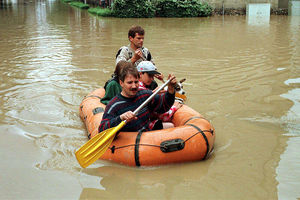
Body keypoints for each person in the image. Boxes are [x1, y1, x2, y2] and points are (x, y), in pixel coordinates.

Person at [99, 64, 177, 133]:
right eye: (130, 82)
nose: (134, 86)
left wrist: (170, 89)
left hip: (146, 136)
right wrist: (120, 118)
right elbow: (102, 129)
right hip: (127, 143)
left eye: (136, 82)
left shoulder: (145, 94)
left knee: (170, 126)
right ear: (121, 83)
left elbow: (164, 106)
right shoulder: (114, 105)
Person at [137, 61, 182, 129]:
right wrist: (174, 108)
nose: (152, 79)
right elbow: (158, 112)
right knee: (171, 126)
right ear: (140, 74)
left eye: (153, 76)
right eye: (150, 75)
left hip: (144, 119)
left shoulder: (149, 85)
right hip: (141, 123)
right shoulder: (140, 89)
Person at [115, 25, 161, 90]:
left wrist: (157, 74)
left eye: (143, 38)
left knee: (154, 83)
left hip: (142, 80)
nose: (141, 40)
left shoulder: (145, 51)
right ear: (131, 38)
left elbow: (152, 67)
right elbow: (119, 70)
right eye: (139, 38)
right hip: (128, 81)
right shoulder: (124, 50)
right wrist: (134, 59)